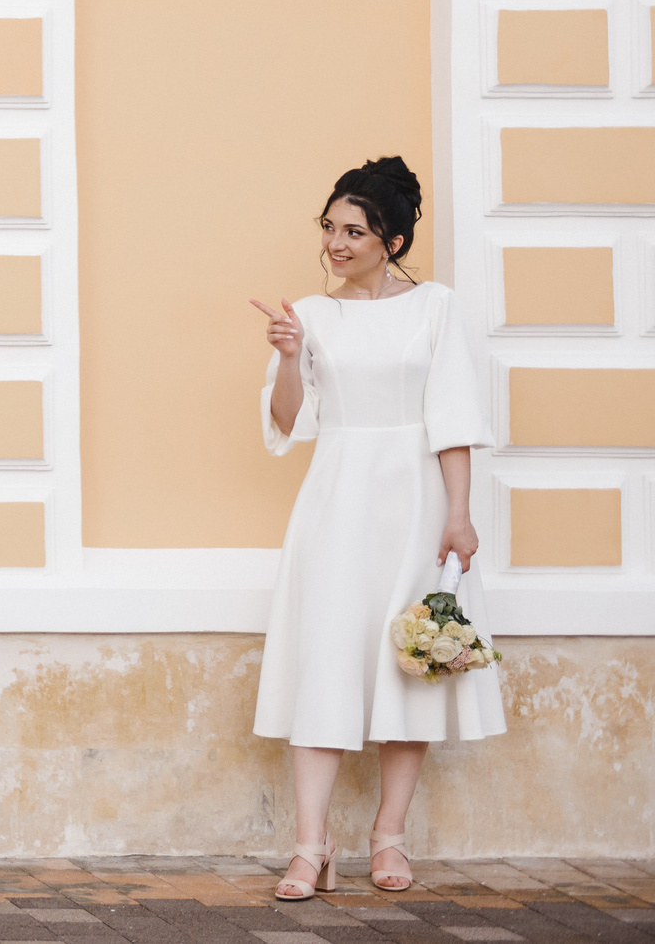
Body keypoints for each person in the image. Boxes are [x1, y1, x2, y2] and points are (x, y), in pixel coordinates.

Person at [248, 156, 501, 902]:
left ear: (390, 240)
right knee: (326, 656)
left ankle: (389, 836)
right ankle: (309, 846)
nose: (336, 242)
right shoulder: (313, 315)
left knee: (410, 664)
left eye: (353, 230)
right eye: (329, 228)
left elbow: (451, 414)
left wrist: (458, 514)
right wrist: (290, 358)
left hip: (417, 501)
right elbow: (290, 421)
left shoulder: (435, 308)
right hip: (337, 497)